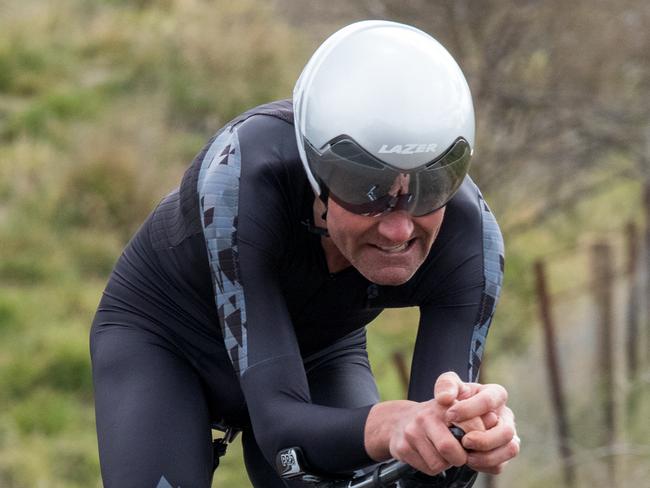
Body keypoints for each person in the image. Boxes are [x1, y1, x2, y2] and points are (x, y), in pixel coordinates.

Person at [89, 20, 519, 488]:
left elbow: (429, 468)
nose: (398, 227)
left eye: (430, 188)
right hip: (167, 337)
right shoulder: (244, 180)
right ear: (317, 178)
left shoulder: (469, 237)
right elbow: (279, 430)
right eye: (366, 190)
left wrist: (466, 437)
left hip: (317, 352)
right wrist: (392, 423)